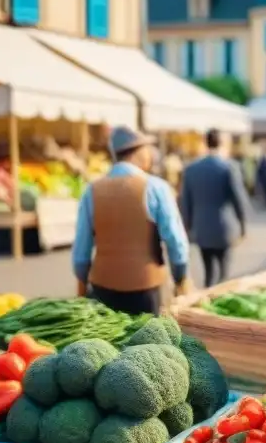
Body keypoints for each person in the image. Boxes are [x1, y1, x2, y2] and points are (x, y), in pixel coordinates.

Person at [72, 126, 191, 314]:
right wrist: (180, 277)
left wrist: (81, 285)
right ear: (139, 152)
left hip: (102, 289)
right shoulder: (156, 187)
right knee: (148, 341)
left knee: (107, 342)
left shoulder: (92, 191)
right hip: (147, 289)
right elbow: (176, 242)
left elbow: (81, 251)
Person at [179, 129, 249, 288]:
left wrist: (187, 227)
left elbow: (185, 202)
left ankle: (207, 298)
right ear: (222, 143)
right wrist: (243, 225)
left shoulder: (191, 169)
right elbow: (238, 199)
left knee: (208, 272)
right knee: (224, 274)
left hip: (201, 228)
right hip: (224, 227)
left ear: (206, 142)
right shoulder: (228, 167)